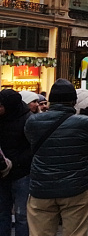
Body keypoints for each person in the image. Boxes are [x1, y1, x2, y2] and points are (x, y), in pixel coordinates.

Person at [25, 79, 88, 236]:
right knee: (76, 232)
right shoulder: (85, 123)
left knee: (39, 233)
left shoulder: (33, 121)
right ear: (73, 101)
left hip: (41, 186)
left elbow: (30, 142)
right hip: (76, 185)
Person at [0, 89, 32, 236]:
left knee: (22, 215)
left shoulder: (28, 120)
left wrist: (16, 162)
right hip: (2, 173)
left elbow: (32, 147)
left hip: (21, 173)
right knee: (2, 212)